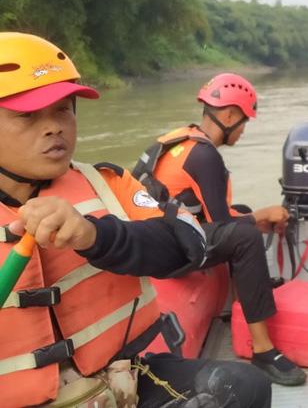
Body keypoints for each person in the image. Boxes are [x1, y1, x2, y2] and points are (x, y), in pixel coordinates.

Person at [0, 32, 271, 407]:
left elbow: (185, 244)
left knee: (245, 386)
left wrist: (94, 235)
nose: (54, 127)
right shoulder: (203, 154)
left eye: (63, 109)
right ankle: (265, 347)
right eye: (28, 115)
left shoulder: (108, 182)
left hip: (122, 378)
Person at [132, 72, 306, 386]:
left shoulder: (180, 141)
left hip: (153, 238)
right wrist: (263, 216)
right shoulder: (205, 154)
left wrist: (253, 217)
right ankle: (263, 350)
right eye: (244, 122)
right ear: (228, 115)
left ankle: (245, 304)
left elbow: (218, 216)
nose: (242, 130)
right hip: (168, 252)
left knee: (243, 216)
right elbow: (221, 225)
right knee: (245, 233)